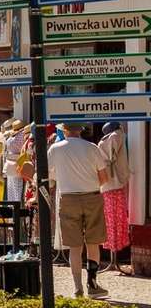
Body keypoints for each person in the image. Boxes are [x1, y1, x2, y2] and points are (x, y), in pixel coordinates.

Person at [49, 122, 110, 296]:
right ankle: (92, 284)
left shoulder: (55, 148)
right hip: (92, 196)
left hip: (68, 198)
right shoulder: (92, 147)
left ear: (65, 131)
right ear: (80, 131)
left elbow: (46, 173)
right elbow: (104, 177)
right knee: (93, 242)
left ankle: (77, 287)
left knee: (74, 246)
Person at [99, 121, 132, 274]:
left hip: (108, 185)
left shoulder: (110, 139)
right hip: (114, 185)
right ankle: (114, 258)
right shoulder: (116, 136)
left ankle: (114, 258)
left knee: (112, 220)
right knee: (115, 220)